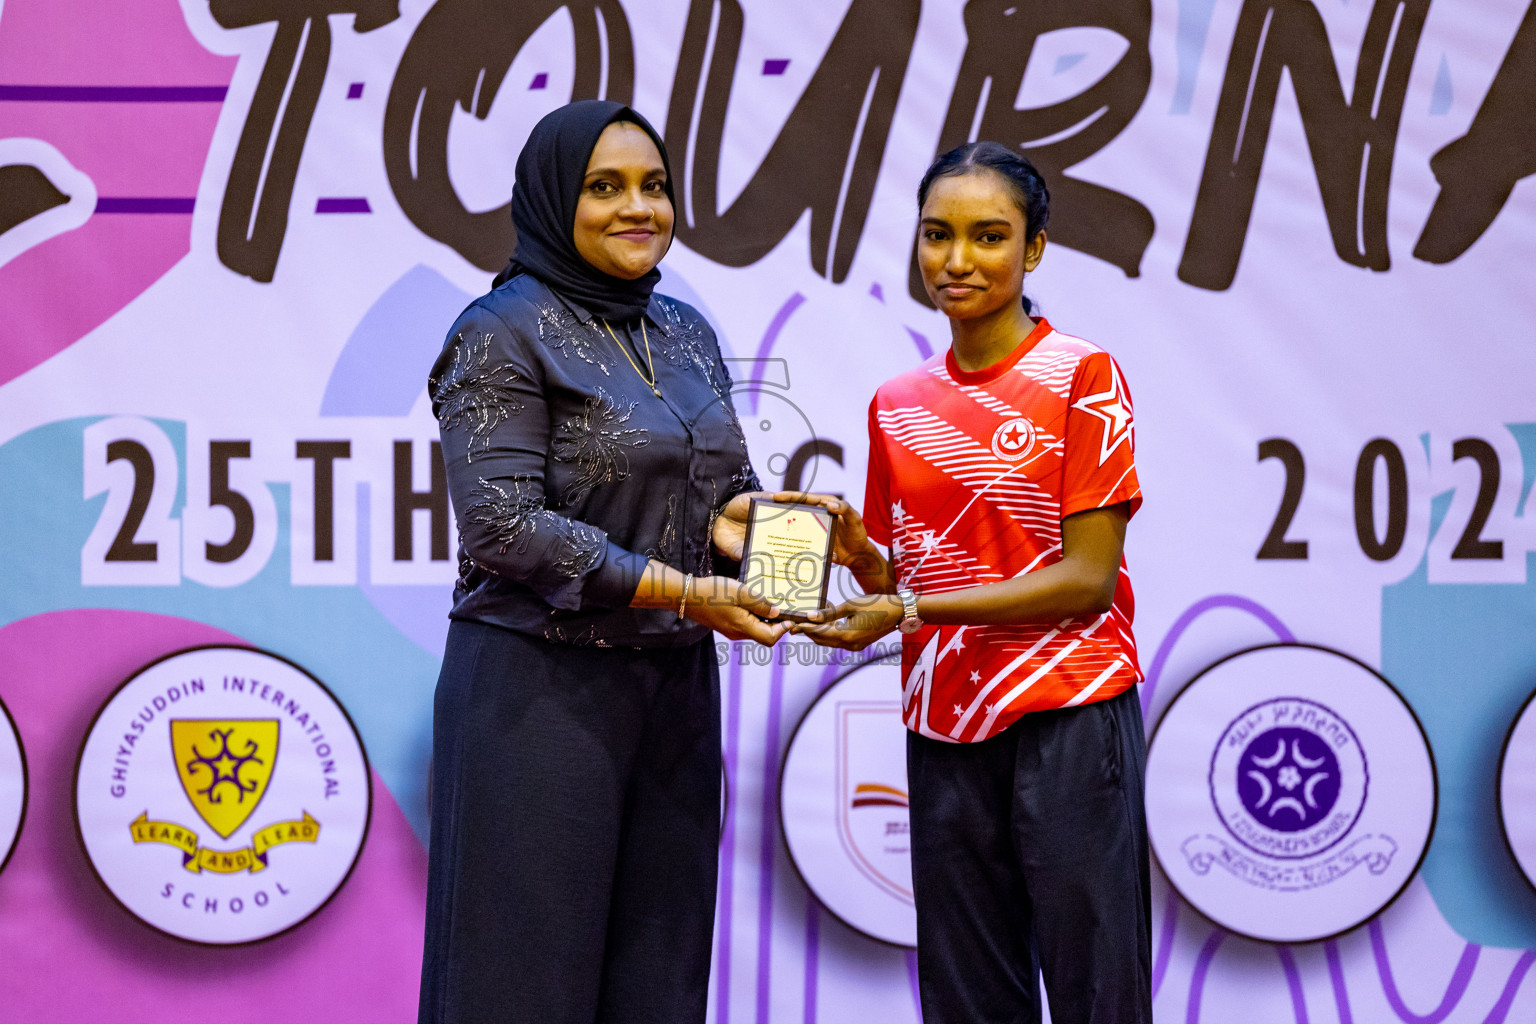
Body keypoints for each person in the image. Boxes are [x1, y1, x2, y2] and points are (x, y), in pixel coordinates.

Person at [417, 100, 789, 1024]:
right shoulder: (499, 330)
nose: (639, 208)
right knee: (522, 986)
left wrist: (798, 544)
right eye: (605, 187)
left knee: (658, 986)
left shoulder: (683, 330)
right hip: (539, 697)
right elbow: (502, 527)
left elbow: (720, 498)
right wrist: (683, 590)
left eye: (654, 187)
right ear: (552, 199)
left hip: (673, 695)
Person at [797, 142, 1152, 1024]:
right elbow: (904, 575)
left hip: (1070, 709)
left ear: (1033, 250)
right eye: (937, 236)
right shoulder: (896, 403)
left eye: (988, 237)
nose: (957, 261)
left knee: (1096, 990)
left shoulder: (1080, 374)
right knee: (967, 997)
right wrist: (857, 558)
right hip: (945, 720)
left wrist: (909, 605)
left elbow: (1086, 583)